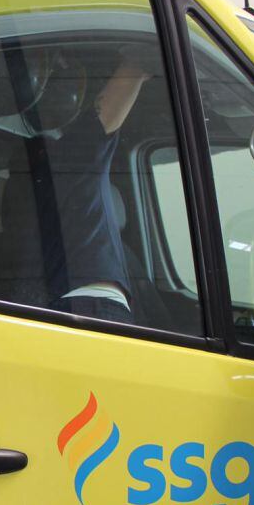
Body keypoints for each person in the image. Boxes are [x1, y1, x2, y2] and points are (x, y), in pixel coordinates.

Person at [38, 48, 154, 324]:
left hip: (69, 308)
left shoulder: (37, 175)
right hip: (92, 308)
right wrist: (140, 58)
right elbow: (106, 115)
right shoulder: (66, 160)